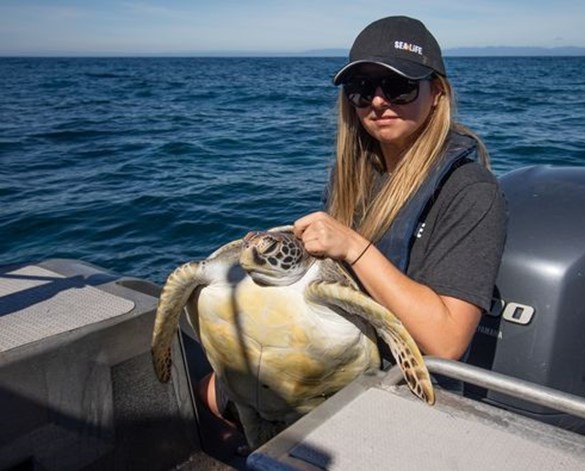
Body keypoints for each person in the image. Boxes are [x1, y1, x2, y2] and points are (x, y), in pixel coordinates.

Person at [199, 14, 506, 437]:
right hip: (333, 355)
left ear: (436, 93)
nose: (378, 102)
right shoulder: (355, 176)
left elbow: (446, 342)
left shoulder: (472, 191)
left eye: (398, 86)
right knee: (202, 394)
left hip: (400, 388)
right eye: (361, 90)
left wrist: (354, 247)